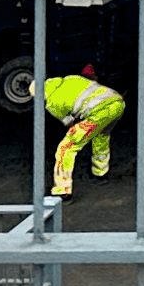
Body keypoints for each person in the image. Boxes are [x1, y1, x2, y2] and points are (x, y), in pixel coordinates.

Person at [44, 69, 129, 197]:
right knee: (101, 136)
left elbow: (69, 122)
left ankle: (62, 191)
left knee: (66, 148)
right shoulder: (71, 79)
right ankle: (100, 173)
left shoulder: (51, 102)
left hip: (99, 113)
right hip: (117, 104)